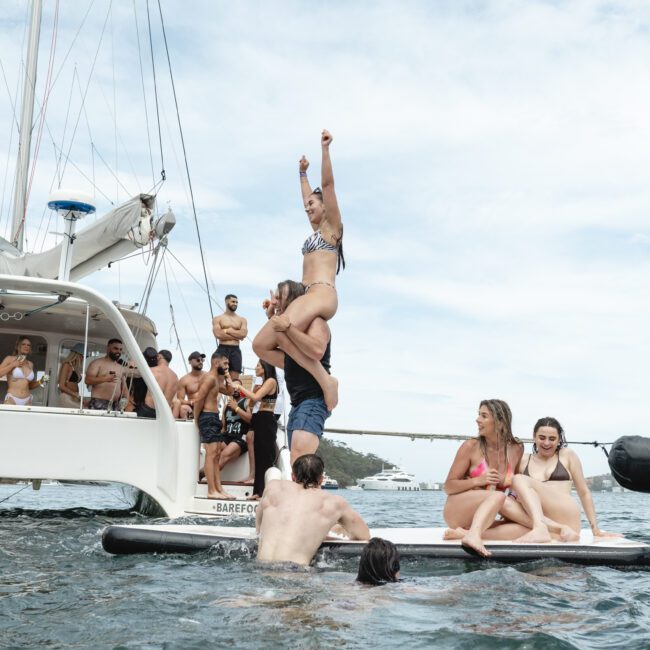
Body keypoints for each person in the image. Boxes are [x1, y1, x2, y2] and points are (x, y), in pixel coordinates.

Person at [253, 130, 342, 411]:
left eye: (313, 205)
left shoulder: (332, 231)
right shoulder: (316, 231)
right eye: (307, 206)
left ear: (325, 207)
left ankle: (325, 380)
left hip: (321, 294)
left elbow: (327, 187)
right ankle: (311, 373)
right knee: (262, 344)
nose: (308, 208)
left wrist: (324, 150)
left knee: (281, 329)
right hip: (305, 296)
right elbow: (310, 197)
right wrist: (302, 175)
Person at [509, 417, 620, 543]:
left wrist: (596, 530)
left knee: (518, 479)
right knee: (500, 501)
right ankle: (545, 529)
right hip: (541, 523)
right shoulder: (523, 460)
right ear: (534, 436)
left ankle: (544, 528)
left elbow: (583, 493)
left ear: (559, 440)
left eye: (552, 439)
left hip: (566, 518)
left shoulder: (567, 455)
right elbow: (513, 494)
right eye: (542, 437)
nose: (546, 443)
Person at [260, 279, 332, 465]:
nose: (274, 302)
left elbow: (317, 350)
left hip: (313, 400)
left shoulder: (316, 322)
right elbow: (264, 346)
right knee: (297, 461)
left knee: (300, 459)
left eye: (279, 297)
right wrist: (272, 320)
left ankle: (306, 493)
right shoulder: (289, 332)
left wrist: (288, 327)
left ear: (294, 300)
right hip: (298, 403)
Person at [443, 399, 524, 557]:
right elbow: (448, 486)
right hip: (458, 510)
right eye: (479, 415)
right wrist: (478, 481)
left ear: (500, 422)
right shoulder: (471, 447)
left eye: (484, 416)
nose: (477, 419)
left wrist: (513, 502)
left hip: (487, 514)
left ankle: (465, 534)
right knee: (498, 496)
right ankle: (472, 535)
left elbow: (516, 483)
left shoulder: (517, 448)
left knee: (525, 528)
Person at [256, 454, 370, 566]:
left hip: (260, 569)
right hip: (295, 573)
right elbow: (364, 536)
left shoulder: (273, 487)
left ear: (292, 477)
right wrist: (323, 534)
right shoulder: (333, 502)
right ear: (321, 480)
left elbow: (259, 531)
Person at [193, 352, 233, 499]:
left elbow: (230, 391)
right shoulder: (209, 378)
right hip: (207, 417)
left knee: (216, 454)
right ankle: (211, 491)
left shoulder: (216, 379)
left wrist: (228, 376)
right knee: (211, 455)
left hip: (214, 417)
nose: (227, 367)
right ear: (216, 363)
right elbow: (199, 399)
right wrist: (197, 419)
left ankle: (219, 488)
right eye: (225, 364)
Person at [237, 360, 278, 498]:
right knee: (259, 456)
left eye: (258, 365)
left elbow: (255, 397)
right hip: (260, 417)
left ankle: (264, 492)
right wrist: (253, 392)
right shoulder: (263, 383)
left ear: (266, 367)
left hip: (267, 419)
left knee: (266, 456)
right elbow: (251, 403)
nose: (255, 368)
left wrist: (239, 388)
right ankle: (257, 492)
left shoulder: (271, 381)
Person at [216, 380, 252, 491]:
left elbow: (250, 419)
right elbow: (224, 428)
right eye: (233, 387)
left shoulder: (246, 402)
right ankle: (203, 472)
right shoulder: (226, 406)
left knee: (224, 455)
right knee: (213, 450)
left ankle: (209, 478)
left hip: (240, 437)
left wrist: (236, 408)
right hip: (227, 436)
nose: (235, 389)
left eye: (238, 386)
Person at [85, 338, 129, 411]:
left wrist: (125, 402)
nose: (118, 351)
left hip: (116, 405)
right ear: (108, 348)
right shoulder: (97, 363)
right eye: (116, 348)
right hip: (99, 403)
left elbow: (124, 388)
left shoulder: (120, 367)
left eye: (121, 349)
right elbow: (87, 380)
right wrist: (105, 379)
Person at [212, 294, 247, 382]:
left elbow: (243, 334)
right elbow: (218, 334)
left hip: (236, 350)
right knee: (218, 380)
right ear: (226, 302)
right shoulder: (218, 319)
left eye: (236, 302)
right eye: (233, 301)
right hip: (222, 349)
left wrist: (228, 330)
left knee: (234, 381)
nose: (235, 304)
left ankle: (232, 396)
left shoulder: (242, 319)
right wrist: (236, 336)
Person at [0, 336, 44, 405]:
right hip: (12, 398)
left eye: (28, 345)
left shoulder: (30, 364)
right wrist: (12, 365)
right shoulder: (10, 359)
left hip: (27, 399)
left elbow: (28, 385)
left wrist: (41, 381)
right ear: (17, 346)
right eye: (23, 344)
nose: (26, 346)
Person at [136, 348, 179, 419]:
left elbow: (134, 374)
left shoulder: (152, 370)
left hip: (148, 410)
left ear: (159, 356)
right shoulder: (175, 376)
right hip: (164, 413)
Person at [174, 351, 206, 419]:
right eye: (198, 360)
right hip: (192, 406)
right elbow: (179, 399)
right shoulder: (184, 380)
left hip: (206, 406)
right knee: (183, 408)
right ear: (190, 362)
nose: (200, 362)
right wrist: (191, 402)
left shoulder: (208, 376)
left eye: (202, 360)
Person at [57, 343, 85, 408]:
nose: (83, 358)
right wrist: (75, 394)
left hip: (74, 397)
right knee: (82, 410)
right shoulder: (67, 365)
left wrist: (78, 397)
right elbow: (61, 386)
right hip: (67, 397)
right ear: (77, 355)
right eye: (83, 356)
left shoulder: (75, 367)